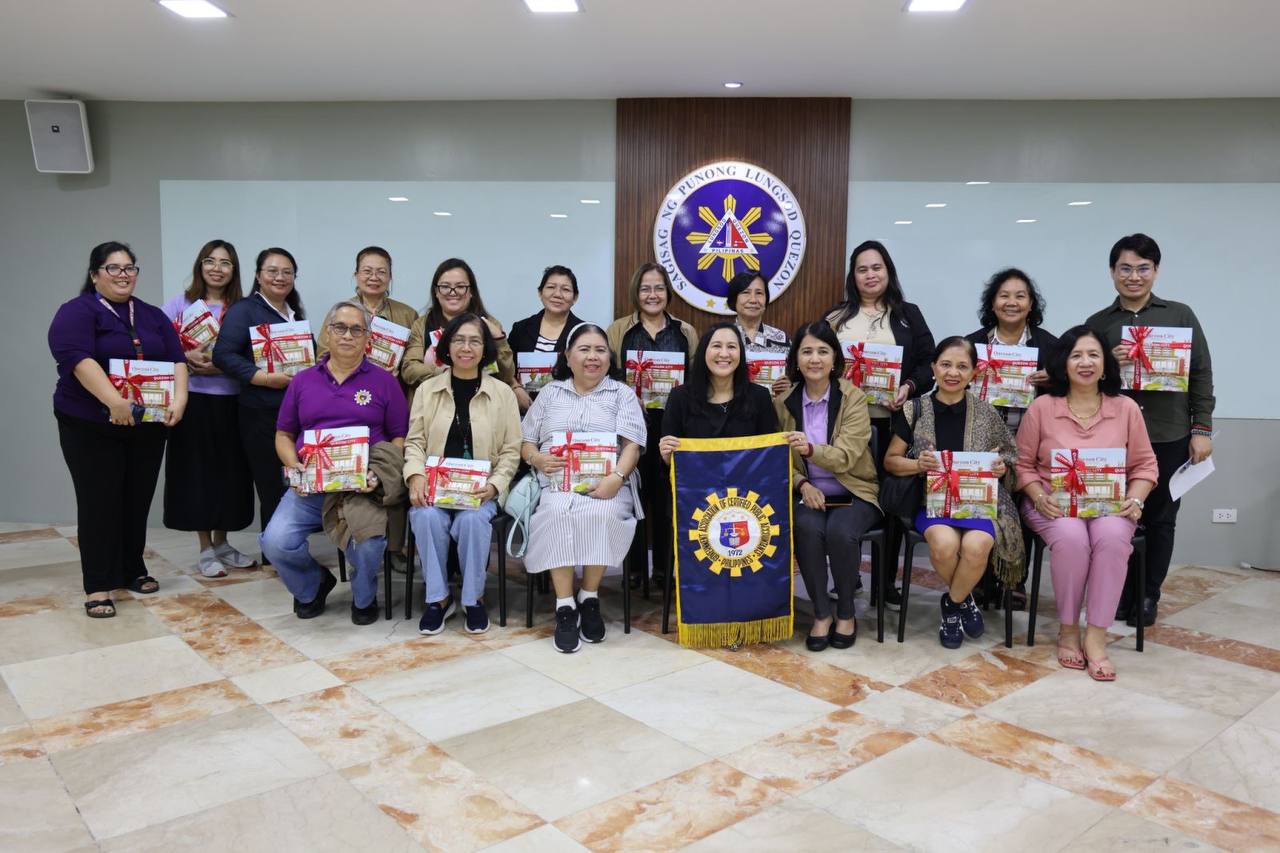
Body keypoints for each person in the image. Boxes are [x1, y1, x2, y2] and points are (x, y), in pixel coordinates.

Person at [48, 241, 189, 618]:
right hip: (90, 423)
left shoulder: (151, 314)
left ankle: (131, 568)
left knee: (136, 498)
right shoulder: (76, 311)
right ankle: (98, 584)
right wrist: (114, 402)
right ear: (95, 274)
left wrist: (179, 400)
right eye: (114, 268)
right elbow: (78, 360)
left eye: (130, 268)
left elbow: (177, 359)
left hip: (146, 425)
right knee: (99, 502)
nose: (123, 275)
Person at [1016, 326, 1158, 681]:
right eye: (1076, 355)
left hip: (1111, 505)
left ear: (1106, 364)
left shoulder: (1126, 408)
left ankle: (1096, 636)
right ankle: (1068, 630)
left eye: (1094, 355)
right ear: (1063, 364)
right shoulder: (1042, 408)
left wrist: (1136, 498)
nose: (1085, 362)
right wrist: (1038, 497)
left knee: (1112, 539)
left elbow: (1145, 465)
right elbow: (1023, 465)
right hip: (1051, 503)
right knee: (1072, 539)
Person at [1087, 234, 1214, 628]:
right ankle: (1120, 593)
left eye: (1143, 268)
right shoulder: (1098, 324)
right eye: (1125, 268)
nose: (1134, 276)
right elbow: (1082, 378)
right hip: (1113, 439)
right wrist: (1107, 363)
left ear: (1156, 271)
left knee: (1160, 519)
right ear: (1112, 272)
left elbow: (1201, 373)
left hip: (1168, 433)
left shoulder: (1180, 315)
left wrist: (1201, 429)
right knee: (1115, 519)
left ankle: (1147, 595)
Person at [260, 301, 408, 623]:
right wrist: (294, 466)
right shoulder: (302, 381)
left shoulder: (385, 381)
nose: (347, 335)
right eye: (340, 327)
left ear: (367, 338)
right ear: (327, 333)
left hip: (362, 488)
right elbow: (283, 434)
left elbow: (399, 437)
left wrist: (378, 473)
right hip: (311, 486)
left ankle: (364, 598)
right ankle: (312, 586)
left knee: (369, 544)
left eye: (356, 329)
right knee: (275, 543)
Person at [883, 337, 1024, 649]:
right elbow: (890, 461)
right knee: (944, 545)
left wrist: (1001, 469)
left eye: (962, 366)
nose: (953, 372)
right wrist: (917, 464)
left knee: (977, 545)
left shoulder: (987, 413)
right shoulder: (914, 409)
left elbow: (1010, 459)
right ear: (933, 367)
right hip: (930, 503)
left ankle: (952, 604)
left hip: (977, 504)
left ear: (974, 372)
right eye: (946, 364)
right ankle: (966, 601)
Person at [520, 323, 646, 654]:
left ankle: (589, 597)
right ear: (568, 356)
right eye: (584, 349)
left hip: (609, 481)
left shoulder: (621, 394)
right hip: (557, 483)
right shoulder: (550, 393)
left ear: (610, 357)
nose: (593, 357)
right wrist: (537, 459)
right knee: (555, 513)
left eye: (600, 350)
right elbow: (526, 441)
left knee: (603, 514)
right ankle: (565, 605)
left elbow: (632, 445)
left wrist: (616, 478)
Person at [827, 240, 936, 608]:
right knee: (846, 498)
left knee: (890, 502)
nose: (870, 275)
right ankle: (848, 575)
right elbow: (818, 362)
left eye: (877, 268)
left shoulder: (908, 314)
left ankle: (886, 583)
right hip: (844, 428)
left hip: (892, 425)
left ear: (888, 272)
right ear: (853, 276)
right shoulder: (836, 317)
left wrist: (909, 387)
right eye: (862, 269)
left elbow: (928, 363)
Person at [405, 313, 522, 635]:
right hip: (435, 487)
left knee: (472, 520)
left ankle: (473, 599)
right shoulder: (427, 390)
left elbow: (512, 450)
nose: (466, 348)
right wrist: (415, 476)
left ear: (485, 349)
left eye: (474, 341)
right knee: (425, 517)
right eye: (459, 340)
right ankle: (438, 599)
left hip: (481, 491)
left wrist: (496, 485)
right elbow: (414, 442)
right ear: (447, 346)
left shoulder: (503, 393)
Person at [774, 321, 883, 651]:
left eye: (823, 351)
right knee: (806, 528)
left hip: (854, 489)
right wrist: (802, 483)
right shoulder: (783, 402)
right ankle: (821, 613)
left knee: (840, 532)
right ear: (796, 359)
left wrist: (810, 449)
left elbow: (848, 456)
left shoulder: (853, 398)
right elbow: (777, 458)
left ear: (835, 358)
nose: (814, 359)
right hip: (809, 491)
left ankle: (846, 612)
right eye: (806, 351)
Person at [160, 240, 256, 578]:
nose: (217, 268)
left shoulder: (242, 309)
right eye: (210, 261)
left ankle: (223, 543)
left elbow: (256, 353)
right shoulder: (180, 304)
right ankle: (205, 548)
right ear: (200, 265)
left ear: (234, 269)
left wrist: (224, 364)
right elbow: (159, 345)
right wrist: (184, 356)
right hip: (192, 401)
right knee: (197, 474)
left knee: (231, 473)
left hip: (233, 400)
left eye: (225, 262)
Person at [605, 263, 699, 588]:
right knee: (631, 493)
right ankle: (633, 569)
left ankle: (663, 569)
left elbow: (695, 380)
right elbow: (609, 375)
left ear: (668, 292)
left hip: (672, 427)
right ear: (636, 292)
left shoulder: (686, 332)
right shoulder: (618, 330)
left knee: (665, 497)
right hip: (630, 426)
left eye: (659, 288)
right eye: (646, 288)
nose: (652, 295)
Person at [212, 247, 312, 542]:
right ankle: (274, 553)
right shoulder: (244, 310)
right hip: (260, 414)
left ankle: (288, 550)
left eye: (287, 272)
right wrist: (264, 378)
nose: (280, 277)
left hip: (293, 414)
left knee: (293, 482)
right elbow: (223, 355)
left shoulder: (293, 313)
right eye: (272, 271)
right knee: (273, 486)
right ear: (258, 276)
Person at [659, 323, 779, 462]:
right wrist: (667, 457)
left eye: (731, 347)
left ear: (741, 353)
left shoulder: (760, 396)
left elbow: (768, 456)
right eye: (716, 346)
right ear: (704, 351)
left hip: (747, 477)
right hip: (696, 477)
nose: (724, 354)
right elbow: (672, 463)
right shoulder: (679, 397)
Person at [964, 267, 1059, 433]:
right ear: (992, 303)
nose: (1012, 303)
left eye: (1020, 296)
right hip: (979, 435)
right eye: (1004, 296)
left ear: (1031, 304)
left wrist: (1054, 379)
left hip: (1034, 434)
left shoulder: (1050, 345)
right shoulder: (972, 343)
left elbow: (1071, 389)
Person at [401, 258, 514, 390]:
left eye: (460, 287)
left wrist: (499, 340)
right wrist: (445, 372)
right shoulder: (422, 324)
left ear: (471, 291)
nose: (453, 292)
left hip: (482, 398)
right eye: (445, 287)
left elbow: (507, 376)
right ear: (436, 292)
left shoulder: (490, 324)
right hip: (433, 399)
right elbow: (409, 370)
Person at [316, 246, 418, 362]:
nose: (374, 277)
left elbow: (413, 359)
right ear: (356, 275)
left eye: (381, 272)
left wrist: (399, 370)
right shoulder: (340, 312)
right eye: (367, 271)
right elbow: (323, 356)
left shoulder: (408, 315)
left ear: (390, 277)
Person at [508, 264, 586, 412]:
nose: (557, 294)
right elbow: (505, 365)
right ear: (540, 292)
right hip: (523, 410)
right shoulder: (521, 329)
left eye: (565, 289)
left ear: (575, 297)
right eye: (551, 287)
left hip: (568, 411)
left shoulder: (583, 333)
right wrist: (515, 387)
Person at [726, 272, 791, 398]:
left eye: (759, 293)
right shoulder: (722, 337)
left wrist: (790, 386)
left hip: (773, 408)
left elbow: (796, 378)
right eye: (746, 292)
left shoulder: (781, 338)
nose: (753, 300)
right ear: (734, 299)